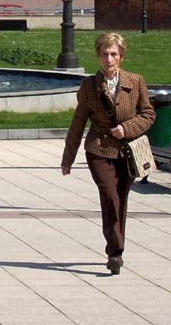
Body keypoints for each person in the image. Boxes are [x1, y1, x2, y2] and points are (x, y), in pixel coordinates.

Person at [61, 32, 155, 275]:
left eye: (113, 54)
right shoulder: (89, 86)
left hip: (127, 152)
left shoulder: (135, 81)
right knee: (110, 197)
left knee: (121, 200)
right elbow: (78, 122)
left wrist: (127, 128)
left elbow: (148, 114)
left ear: (121, 56)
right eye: (104, 54)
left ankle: (116, 250)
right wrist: (68, 158)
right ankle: (115, 252)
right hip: (99, 149)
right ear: (98, 56)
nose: (109, 59)